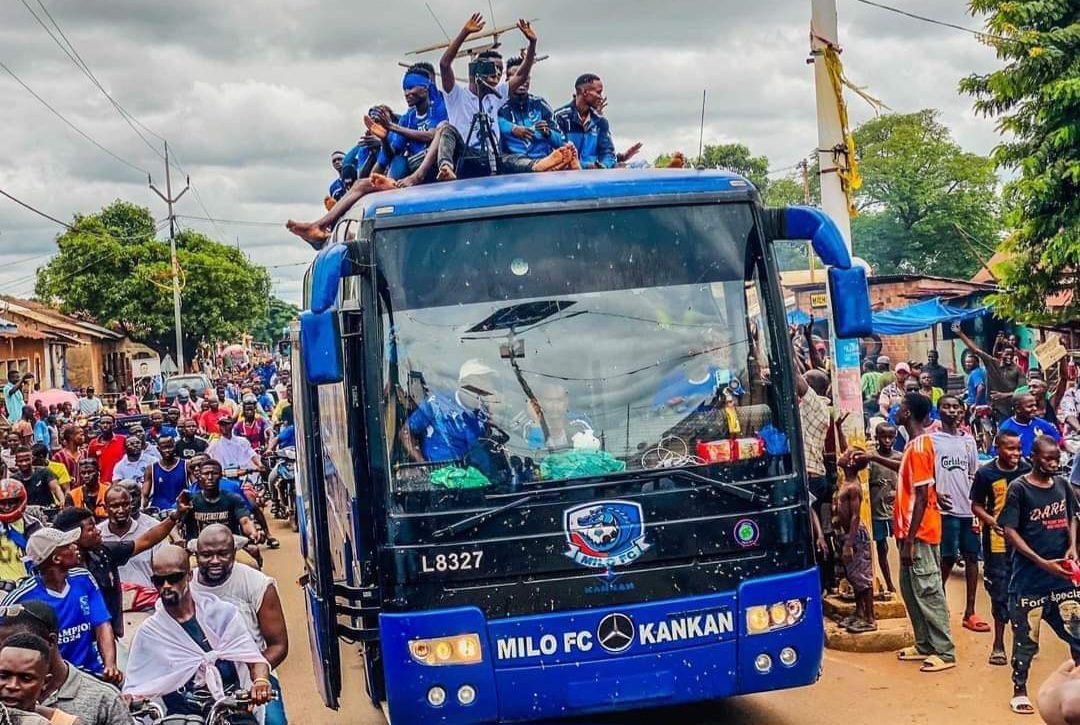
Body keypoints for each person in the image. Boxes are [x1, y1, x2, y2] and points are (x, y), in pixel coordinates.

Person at [122, 546, 273, 717]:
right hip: (181, 717)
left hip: (230, 709)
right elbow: (136, 685)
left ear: (189, 576)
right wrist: (129, 698)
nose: (166, 586)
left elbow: (254, 659)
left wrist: (261, 682)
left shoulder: (221, 615)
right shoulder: (150, 633)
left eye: (173, 578)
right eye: (159, 580)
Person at [999, 437, 1080, 715]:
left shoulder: (1062, 485)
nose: (1054, 463)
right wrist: (1041, 562)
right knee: (1025, 641)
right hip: (1028, 582)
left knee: (1077, 633)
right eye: (1048, 459)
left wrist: (1071, 546)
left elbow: (1072, 516)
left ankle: (1076, 688)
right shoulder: (1019, 489)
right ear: (1033, 457)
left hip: (1063, 582)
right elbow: (1010, 531)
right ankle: (1019, 690)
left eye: (1057, 458)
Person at [191, 525, 289, 725]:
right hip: (198, 680)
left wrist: (258, 676)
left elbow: (278, 646)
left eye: (222, 554)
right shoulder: (185, 586)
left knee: (274, 722)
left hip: (249, 675)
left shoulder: (258, 584)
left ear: (234, 552)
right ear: (196, 555)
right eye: (207, 555)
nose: (215, 561)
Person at [887, 392, 956, 672]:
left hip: (920, 533)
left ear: (908, 413)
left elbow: (922, 494)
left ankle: (944, 650)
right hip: (909, 532)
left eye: (901, 407)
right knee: (910, 589)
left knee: (927, 590)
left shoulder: (918, 447)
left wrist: (910, 541)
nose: (896, 410)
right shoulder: (914, 446)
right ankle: (924, 643)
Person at [53, 500, 187, 638]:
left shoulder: (103, 553)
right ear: (74, 536)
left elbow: (146, 540)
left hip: (108, 636)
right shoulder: (57, 572)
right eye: (91, 529)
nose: (98, 530)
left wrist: (174, 517)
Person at [2, 528, 119, 684]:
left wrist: (110, 665)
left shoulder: (83, 578)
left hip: (92, 673)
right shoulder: (22, 597)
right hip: (50, 682)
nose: (75, 547)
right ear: (57, 559)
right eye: (68, 545)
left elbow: (102, 624)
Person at [970, 429, 1030, 667]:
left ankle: (1022, 642)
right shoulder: (986, 474)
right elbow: (975, 505)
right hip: (996, 543)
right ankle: (998, 643)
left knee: (1024, 592)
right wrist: (994, 523)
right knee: (1000, 592)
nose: (1016, 453)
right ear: (998, 448)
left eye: (1018, 448)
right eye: (1010, 448)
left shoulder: (1027, 471)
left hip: (1023, 542)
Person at [930, 394, 984, 633]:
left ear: (961, 412)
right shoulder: (932, 440)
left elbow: (973, 474)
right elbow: (927, 474)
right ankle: (939, 605)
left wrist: (975, 506)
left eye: (955, 407)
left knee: (972, 557)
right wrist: (935, 492)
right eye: (946, 407)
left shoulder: (968, 441)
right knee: (947, 557)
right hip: (945, 510)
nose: (951, 411)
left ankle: (970, 611)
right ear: (939, 411)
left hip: (967, 508)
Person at [400, 360, 495, 464]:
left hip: (474, 472)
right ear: (466, 382)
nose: (488, 386)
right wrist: (422, 464)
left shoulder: (482, 413)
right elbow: (405, 432)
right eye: (483, 380)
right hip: (438, 471)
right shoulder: (438, 402)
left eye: (489, 381)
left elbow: (484, 444)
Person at [496, 57, 572, 168]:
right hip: (514, 163)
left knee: (567, 150)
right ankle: (540, 166)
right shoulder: (499, 106)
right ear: (508, 80)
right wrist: (513, 128)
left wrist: (548, 133)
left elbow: (561, 141)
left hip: (545, 159)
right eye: (517, 77)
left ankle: (555, 164)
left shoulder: (540, 104)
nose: (522, 81)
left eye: (526, 77)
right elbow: (494, 122)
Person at [832, 447, 875, 632]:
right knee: (854, 576)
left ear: (850, 463)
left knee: (863, 578)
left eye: (845, 454)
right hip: (848, 534)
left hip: (855, 536)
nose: (840, 454)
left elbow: (855, 516)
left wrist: (849, 543)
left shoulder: (853, 487)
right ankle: (859, 612)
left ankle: (870, 618)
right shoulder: (846, 480)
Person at [0, 633, 78, 725]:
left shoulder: (65, 723)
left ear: (45, 682)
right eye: (3, 676)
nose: (12, 686)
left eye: (26, 678)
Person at [953, 324, 1024, 423]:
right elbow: (976, 350)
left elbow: (1022, 391)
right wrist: (960, 334)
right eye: (1006, 354)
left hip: (1013, 407)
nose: (1009, 357)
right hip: (993, 407)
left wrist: (1004, 395)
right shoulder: (992, 363)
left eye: (1011, 355)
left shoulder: (1018, 370)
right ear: (1001, 354)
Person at [185, 460, 260, 545]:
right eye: (206, 474)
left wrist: (253, 532)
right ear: (200, 476)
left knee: (253, 550)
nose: (210, 477)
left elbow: (245, 520)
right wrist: (178, 539)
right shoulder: (190, 500)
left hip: (229, 544)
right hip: (198, 545)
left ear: (221, 476)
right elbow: (175, 520)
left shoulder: (233, 498)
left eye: (214, 474)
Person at [553, 73, 617, 169]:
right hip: (566, 180)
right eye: (598, 92)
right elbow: (559, 155)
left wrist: (603, 166)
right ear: (584, 92)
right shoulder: (560, 118)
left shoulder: (601, 122)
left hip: (595, 179)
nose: (601, 97)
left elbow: (609, 154)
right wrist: (588, 166)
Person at [867, 423, 902, 594]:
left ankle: (903, 581)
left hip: (896, 511)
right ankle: (889, 583)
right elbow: (865, 481)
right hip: (878, 511)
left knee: (901, 546)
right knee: (882, 548)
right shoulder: (871, 459)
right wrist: (875, 483)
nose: (887, 440)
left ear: (895, 437)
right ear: (877, 437)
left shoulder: (899, 457)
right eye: (883, 437)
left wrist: (896, 492)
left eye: (890, 437)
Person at [0, 479, 40, 588]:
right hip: (2, 586)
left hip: (29, 584)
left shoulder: (33, 524)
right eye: (2, 503)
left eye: (11, 502)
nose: (7, 507)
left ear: (19, 501)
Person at [997, 392, 1062, 458]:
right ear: (1018, 408)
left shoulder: (1041, 423)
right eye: (1030, 406)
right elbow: (999, 453)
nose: (1035, 409)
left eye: (1035, 405)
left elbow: (1058, 441)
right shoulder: (1007, 428)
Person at [143, 435, 187, 512]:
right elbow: (144, 495)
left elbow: (194, 489)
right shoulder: (151, 468)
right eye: (164, 448)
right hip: (158, 511)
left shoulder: (186, 465)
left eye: (170, 447)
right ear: (158, 449)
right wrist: (142, 507)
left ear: (174, 446)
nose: (167, 450)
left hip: (181, 508)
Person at [85, 416, 124, 485]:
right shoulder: (93, 444)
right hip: (103, 483)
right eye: (103, 423)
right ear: (99, 425)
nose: (105, 425)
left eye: (108, 423)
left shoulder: (122, 440)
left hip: (121, 482)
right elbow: (91, 465)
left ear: (114, 425)